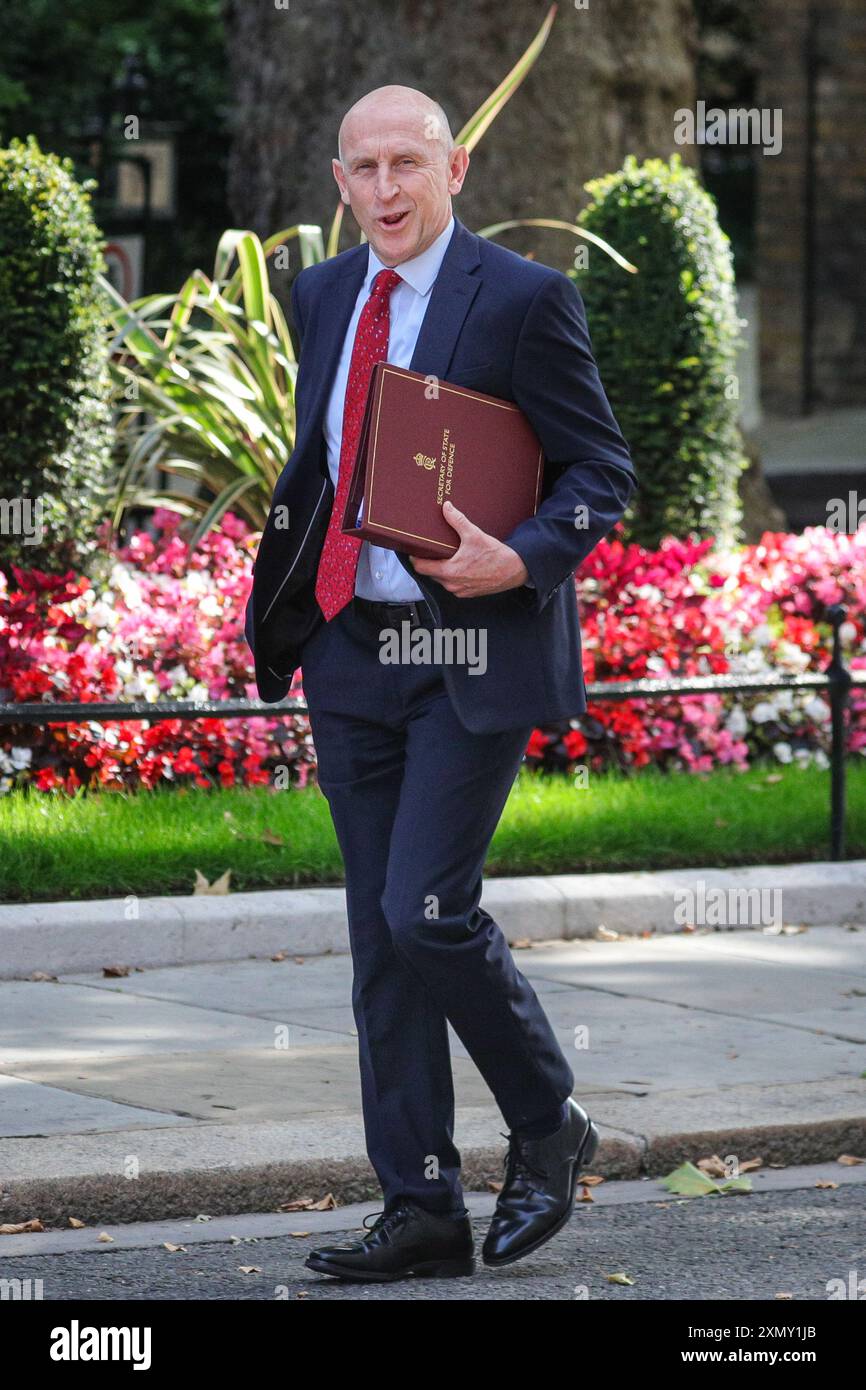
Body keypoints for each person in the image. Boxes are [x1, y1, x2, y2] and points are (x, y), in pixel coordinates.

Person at [244, 84, 637, 1282]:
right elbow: (320, 463)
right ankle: (419, 1205)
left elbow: (597, 469)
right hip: (352, 652)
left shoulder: (522, 298)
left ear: (453, 168)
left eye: (407, 163)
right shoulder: (322, 294)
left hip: (469, 649)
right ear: (338, 181)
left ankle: (546, 1118)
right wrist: (289, 605)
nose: (385, 191)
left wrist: (519, 556)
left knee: (426, 910)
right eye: (362, 169)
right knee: (379, 939)